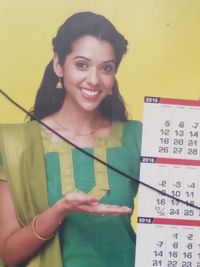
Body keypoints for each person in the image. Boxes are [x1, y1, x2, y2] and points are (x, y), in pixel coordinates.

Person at [0, 11, 142, 267]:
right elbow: (9, 255)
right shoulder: (16, 145)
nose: (94, 79)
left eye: (106, 68)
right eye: (82, 64)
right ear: (58, 65)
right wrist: (59, 210)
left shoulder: (137, 137)